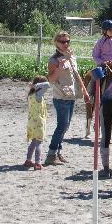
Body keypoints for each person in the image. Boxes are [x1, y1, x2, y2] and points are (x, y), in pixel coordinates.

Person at [44, 31, 90, 165]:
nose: (65, 44)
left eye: (67, 41)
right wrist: (59, 68)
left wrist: (85, 91)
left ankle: (58, 152)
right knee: (62, 126)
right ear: (56, 42)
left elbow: (76, 74)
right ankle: (51, 154)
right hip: (60, 96)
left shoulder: (72, 57)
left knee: (65, 126)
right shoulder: (54, 60)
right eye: (62, 41)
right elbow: (51, 80)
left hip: (71, 95)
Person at [24, 75, 51, 170]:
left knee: (33, 142)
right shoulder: (38, 95)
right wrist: (36, 85)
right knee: (39, 143)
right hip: (38, 122)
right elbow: (47, 84)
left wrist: (34, 86)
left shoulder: (30, 95)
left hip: (31, 122)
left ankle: (28, 160)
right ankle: (38, 163)